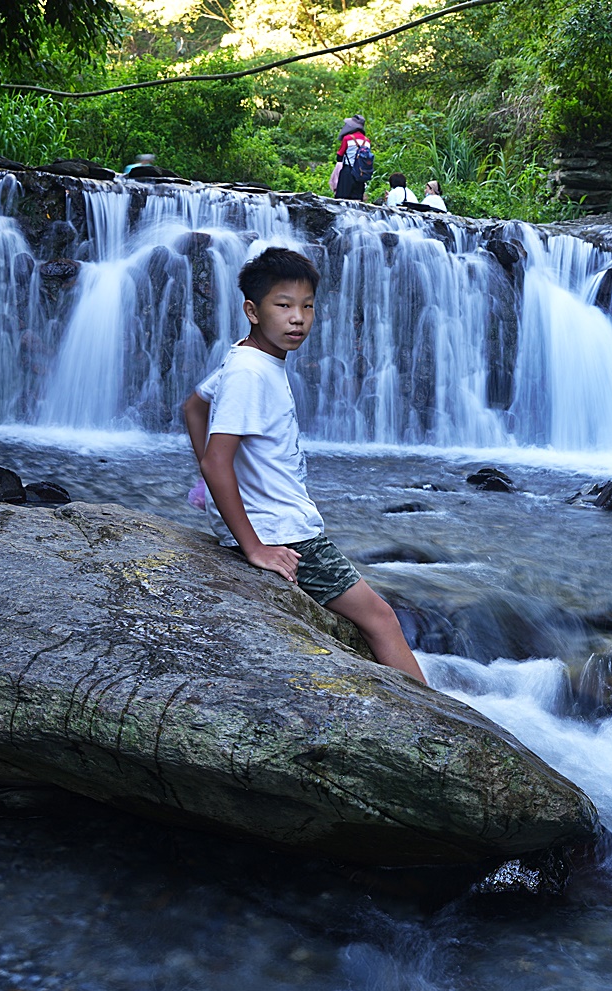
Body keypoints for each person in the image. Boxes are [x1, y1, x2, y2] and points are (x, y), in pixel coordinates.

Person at [181, 247, 426, 684]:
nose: (298, 318)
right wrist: (254, 546)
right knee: (381, 619)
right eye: (284, 305)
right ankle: (437, 726)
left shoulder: (246, 358)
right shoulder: (250, 373)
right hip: (286, 536)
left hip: (274, 524)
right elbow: (219, 461)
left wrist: (213, 489)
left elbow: (193, 409)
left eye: (307, 306)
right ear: (252, 311)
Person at [329, 115, 372, 201]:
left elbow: (339, 156)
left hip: (348, 172)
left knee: (342, 199)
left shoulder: (347, 138)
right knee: (357, 201)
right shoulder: (367, 141)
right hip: (361, 174)